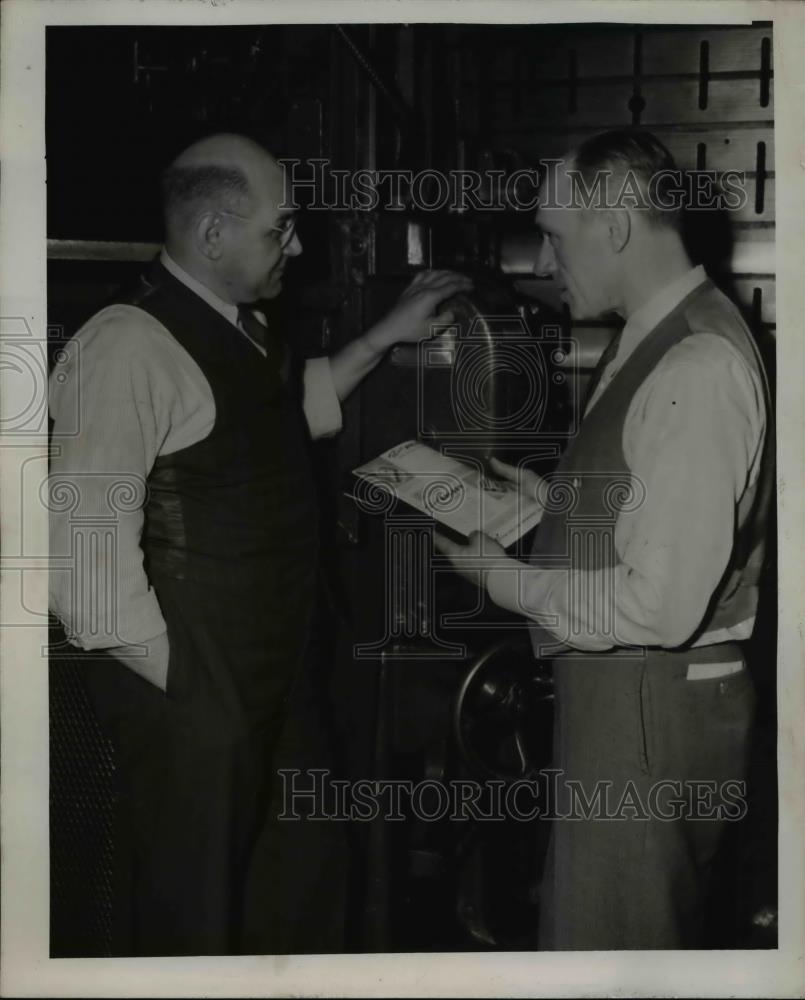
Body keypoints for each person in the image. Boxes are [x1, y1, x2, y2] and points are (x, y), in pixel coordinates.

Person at [48, 132, 471, 956]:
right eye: (281, 228)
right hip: (196, 707)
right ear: (211, 235)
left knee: (297, 901)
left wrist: (383, 335)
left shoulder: (237, 326)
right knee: (191, 923)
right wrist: (195, 690)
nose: (299, 245)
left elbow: (280, 414)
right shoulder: (125, 345)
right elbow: (84, 573)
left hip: (271, 694)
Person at [436, 128, 773, 949]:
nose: (547, 263)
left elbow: (658, 606)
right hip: (628, 712)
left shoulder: (694, 365)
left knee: (611, 951)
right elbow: (655, 509)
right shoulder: (653, 331)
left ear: (614, 227)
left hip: (648, 726)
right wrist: (551, 500)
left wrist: (500, 579)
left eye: (554, 237)